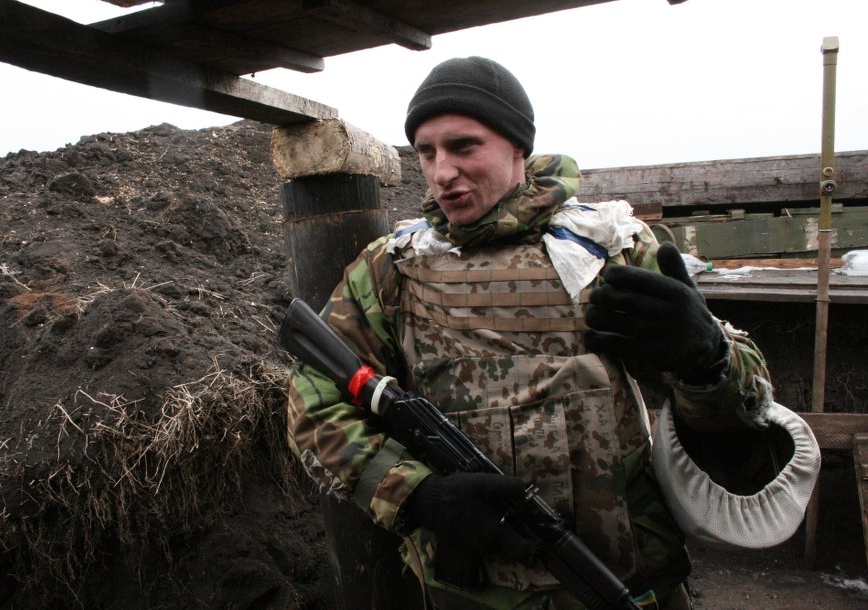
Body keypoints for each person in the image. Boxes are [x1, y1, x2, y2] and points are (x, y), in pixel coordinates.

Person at [286, 56, 777, 609]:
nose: (442, 171)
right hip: (472, 593)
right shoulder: (393, 267)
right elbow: (313, 406)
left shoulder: (607, 245)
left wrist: (707, 359)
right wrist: (418, 495)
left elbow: (749, 410)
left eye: (463, 146)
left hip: (625, 581)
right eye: (427, 152)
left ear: (518, 146)